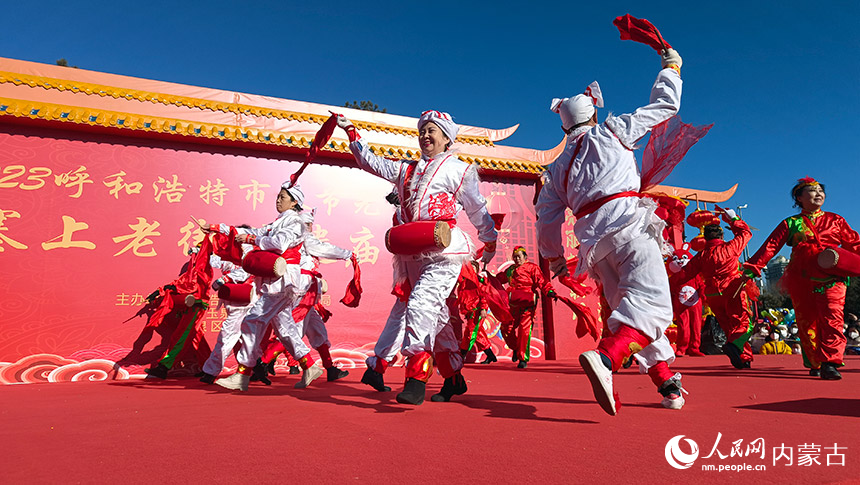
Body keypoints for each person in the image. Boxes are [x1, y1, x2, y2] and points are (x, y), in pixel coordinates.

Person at [535, 47, 685, 415]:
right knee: (651, 307)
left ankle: (667, 384)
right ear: (595, 113)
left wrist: (555, 258)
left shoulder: (556, 170)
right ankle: (607, 358)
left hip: (597, 249)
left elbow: (546, 219)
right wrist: (672, 68)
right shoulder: (614, 131)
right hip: (630, 228)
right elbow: (666, 106)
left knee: (628, 310)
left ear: (563, 126)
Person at [336, 110, 498, 405]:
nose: (425, 136)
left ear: (447, 138)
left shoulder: (458, 170)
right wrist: (352, 133)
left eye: (432, 131)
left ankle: (416, 376)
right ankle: (453, 379)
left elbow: (476, 209)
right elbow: (371, 162)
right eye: (422, 130)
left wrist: (489, 239)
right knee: (436, 320)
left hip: (444, 252)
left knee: (420, 305)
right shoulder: (406, 171)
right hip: (412, 254)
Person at [206, 182, 326, 391]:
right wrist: (218, 228)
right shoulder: (279, 221)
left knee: (252, 320)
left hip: (283, 281)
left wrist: (253, 239)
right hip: (274, 281)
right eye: (278, 197)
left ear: (295, 202)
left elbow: (278, 243)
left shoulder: (295, 223)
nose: (278, 201)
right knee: (284, 326)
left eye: (282, 197)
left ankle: (243, 374)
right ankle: (308, 364)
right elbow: (254, 231)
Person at [745, 177, 860, 380]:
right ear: (799, 197)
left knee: (832, 319)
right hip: (802, 278)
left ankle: (830, 362)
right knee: (807, 323)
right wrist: (754, 267)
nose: (818, 194)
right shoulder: (791, 223)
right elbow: (771, 246)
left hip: (832, 276)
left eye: (820, 191)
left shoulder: (836, 220)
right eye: (812, 191)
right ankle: (815, 361)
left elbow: (854, 243)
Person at [672, 207, 758, 369]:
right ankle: (736, 348)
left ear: (704, 238)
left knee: (727, 326)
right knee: (744, 324)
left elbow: (684, 274)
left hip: (713, 294)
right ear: (722, 236)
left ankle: (743, 358)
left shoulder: (701, 256)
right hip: (732, 290)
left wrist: (666, 285)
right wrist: (733, 219)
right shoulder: (731, 247)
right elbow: (746, 233)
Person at [499, 247, 557, 368]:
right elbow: (500, 279)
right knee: (505, 328)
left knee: (524, 331)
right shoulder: (510, 269)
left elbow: (542, 281)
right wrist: (487, 277)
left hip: (527, 303)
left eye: (519, 256)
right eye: (515, 257)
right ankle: (515, 348)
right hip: (513, 304)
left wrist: (549, 291)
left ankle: (522, 359)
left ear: (525, 257)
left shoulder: (532, 268)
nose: (517, 259)